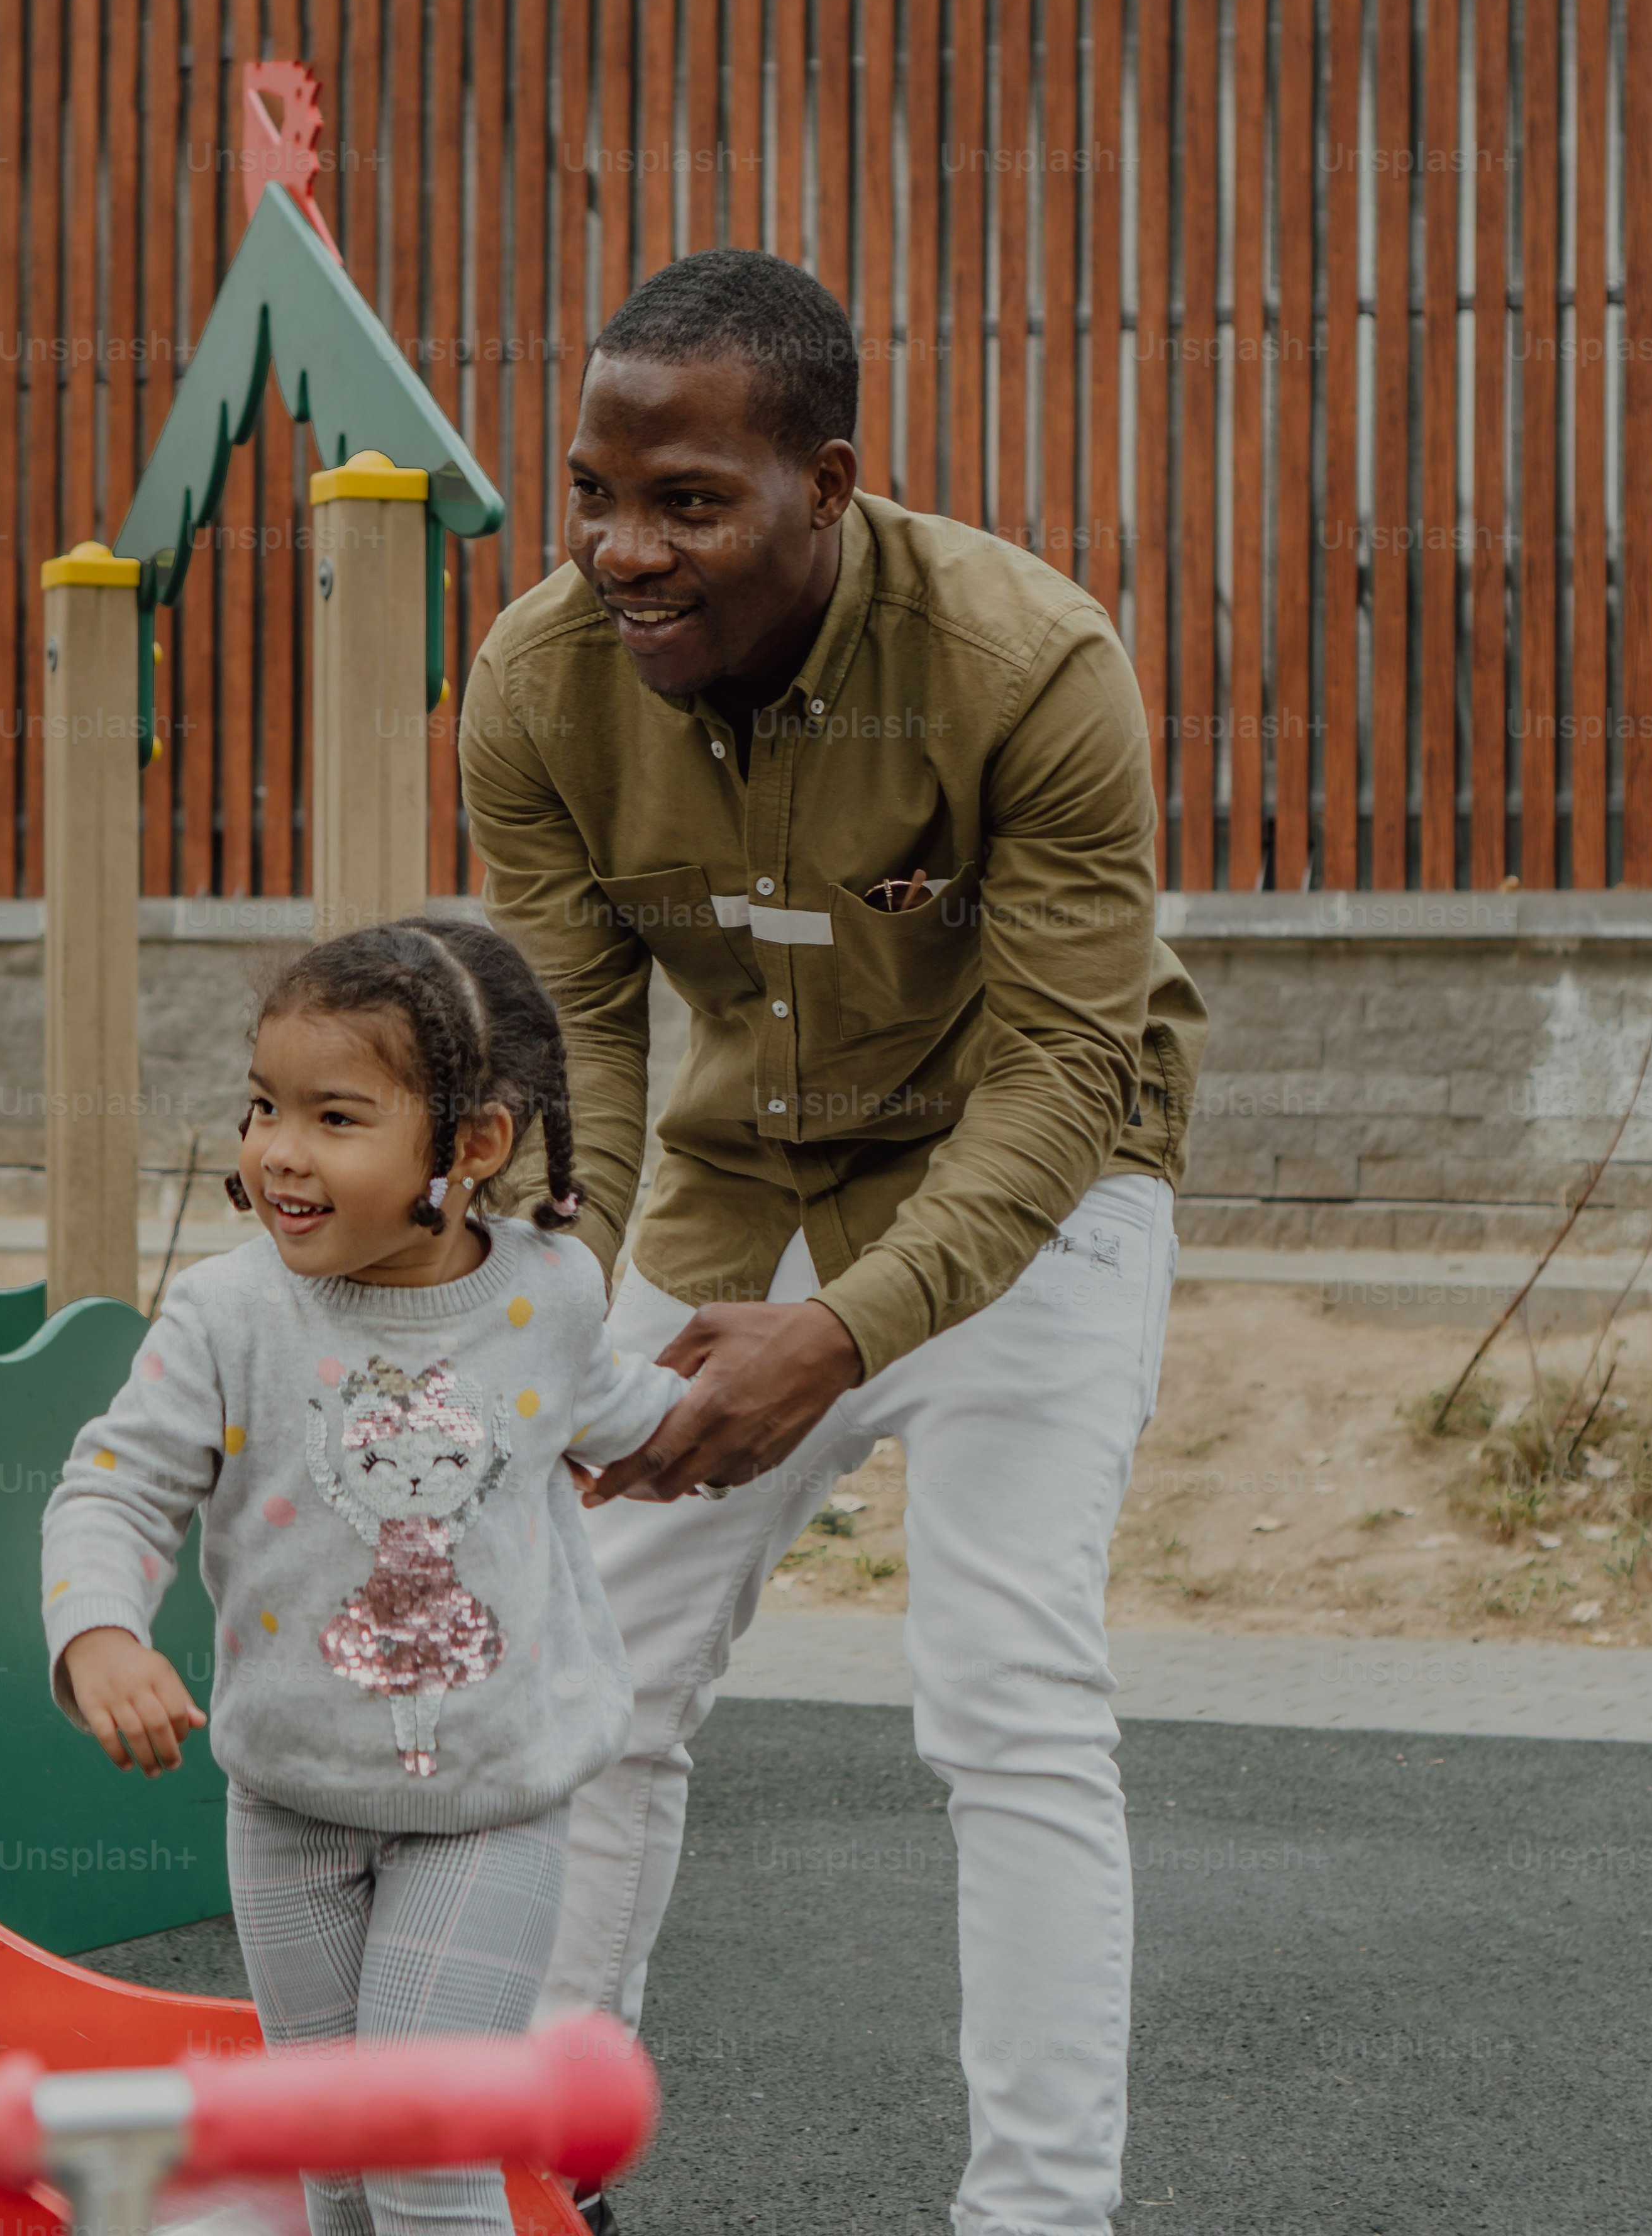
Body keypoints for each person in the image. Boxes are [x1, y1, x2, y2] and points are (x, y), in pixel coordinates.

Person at [460, 248, 1205, 2236]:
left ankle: (1037, 2218)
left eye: (688, 503)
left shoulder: (1030, 663)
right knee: (590, 1669)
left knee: (1006, 1692)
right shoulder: (538, 687)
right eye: (596, 495)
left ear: (829, 484)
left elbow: (1066, 1066)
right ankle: (542, 2172)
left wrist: (848, 1337)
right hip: (744, 1177)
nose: (623, 550)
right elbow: (580, 1053)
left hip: (1034, 1185)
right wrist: (541, 1312)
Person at [40, 916, 683, 2236]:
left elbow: (613, 1407)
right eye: (265, 1104)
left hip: (488, 1801)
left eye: (336, 1116)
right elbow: (117, 1480)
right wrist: (98, 1629)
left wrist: (727, 1419)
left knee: (418, 2150)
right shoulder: (232, 1315)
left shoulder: (550, 1293)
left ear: (473, 1146)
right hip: (289, 1800)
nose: (280, 1147)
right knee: (332, 2165)